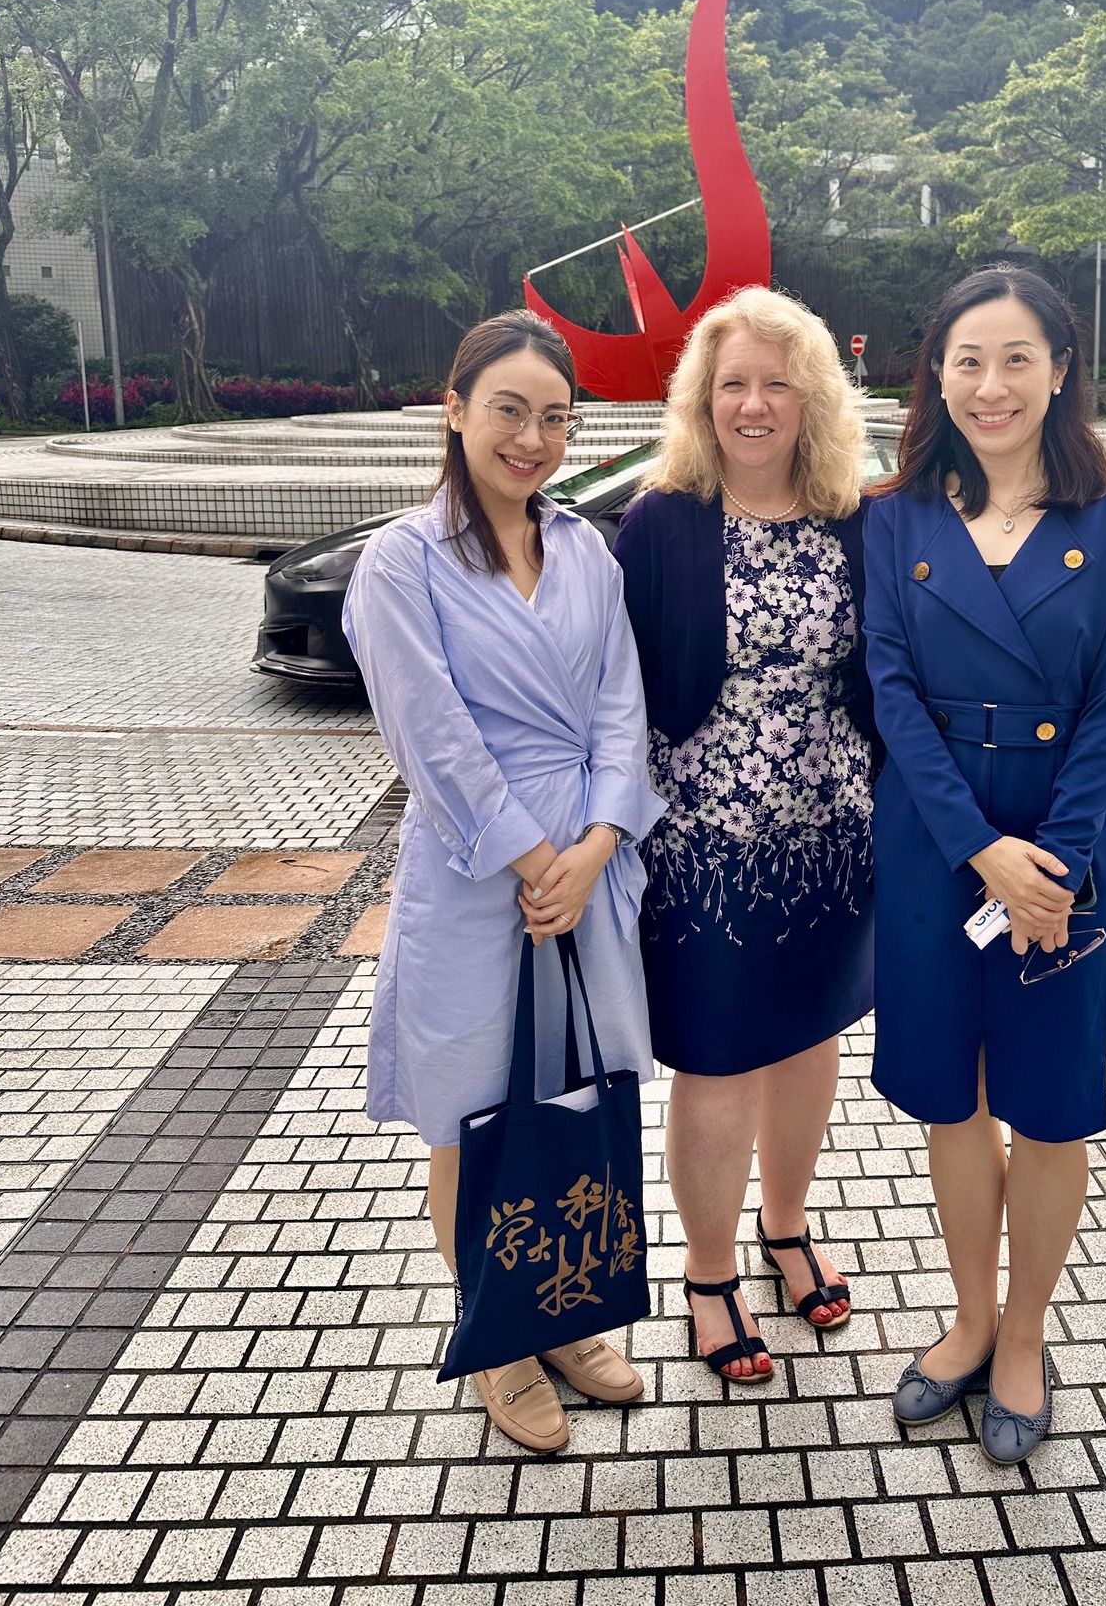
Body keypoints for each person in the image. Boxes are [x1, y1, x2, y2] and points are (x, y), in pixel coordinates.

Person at [343, 312, 665, 1454]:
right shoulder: (401, 559)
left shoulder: (584, 546)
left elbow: (623, 703)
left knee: (586, 1087)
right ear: (456, 407)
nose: (532, 438)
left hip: (590, 863)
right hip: (480, 871)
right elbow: (430, 735)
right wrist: (537, 857)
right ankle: (504, 1337)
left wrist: (594, 845)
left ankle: (571, 1311)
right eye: (509, 410)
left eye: (555, 416)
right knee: (476, 1112)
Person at [864, 265, 1106, 1465]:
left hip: (1064, 849)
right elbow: (891, 687)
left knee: (1045, 1104)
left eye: (1016, 359)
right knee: (952, 1094)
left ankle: (1028, 1332)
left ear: (1060, 370)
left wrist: (1045, 856)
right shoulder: (896, 517)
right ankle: (970, 1316)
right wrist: (978, 848)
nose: (990, 386)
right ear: (935, 373)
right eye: (966, 360)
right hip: (939, 842)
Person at [614, 287, 876, 1383]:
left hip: (830, 829)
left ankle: (787, 1222)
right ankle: (710, 1270)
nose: (755, 403)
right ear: (702, 398)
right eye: (733, 383)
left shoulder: (853, 512)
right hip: (704, 839)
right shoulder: (662, 516)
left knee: (809, 1041)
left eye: (777, 381)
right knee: (718, 1060)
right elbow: (613, 689)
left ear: (810, 397)